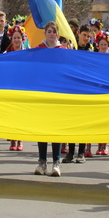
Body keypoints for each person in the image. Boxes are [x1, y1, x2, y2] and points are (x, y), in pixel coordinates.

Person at [34, 21, 64, 177]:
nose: (51, 34)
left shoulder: (62, 51)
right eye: (49, 31)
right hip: (42, 94)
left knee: (55, 130)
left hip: (57, 94)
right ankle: (42, 162)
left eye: (54, 32)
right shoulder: (39, 50)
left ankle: (56, 162)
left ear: (57, 35)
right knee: (42, 130)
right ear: (45, 33)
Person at [5, 25, 26, 151]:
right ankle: (13, 139)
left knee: (21, 113)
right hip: (11, 85)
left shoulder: (26, 52)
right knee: (12, 113)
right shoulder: (7, 53)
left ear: (22, 39)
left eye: (19, 38)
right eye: (14, 38)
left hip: (22, 85)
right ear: (11, 39)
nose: (17, 40)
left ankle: (20, 139)